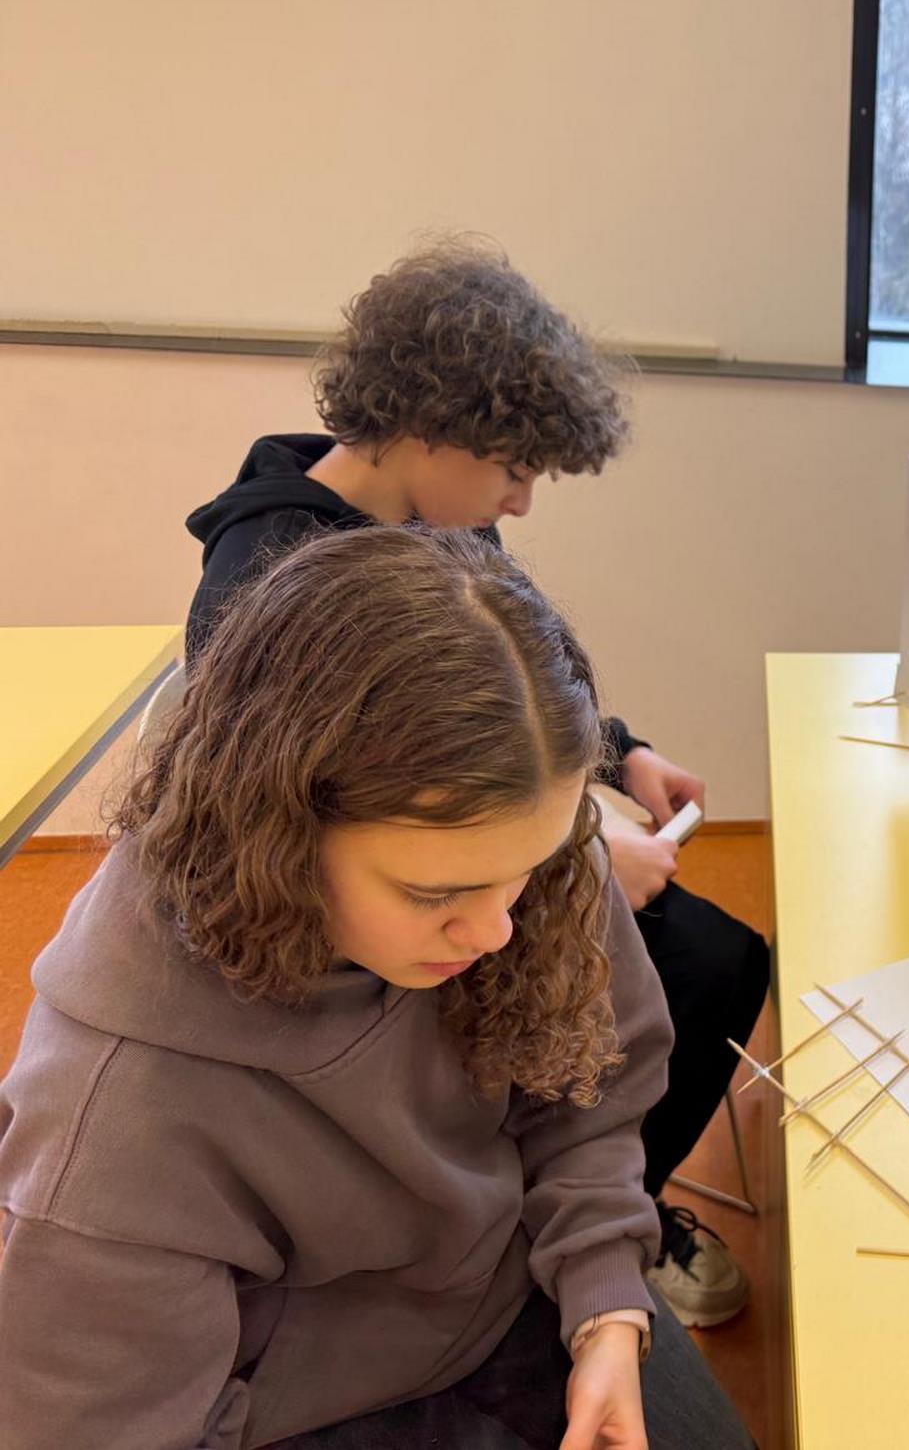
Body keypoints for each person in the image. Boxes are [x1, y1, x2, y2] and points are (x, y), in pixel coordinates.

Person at [0, 527, 754, 1448]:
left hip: (516, 1285)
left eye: (529, 869)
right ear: (277, 836)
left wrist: (605, 1304)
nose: (496, 929)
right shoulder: (117, 1121)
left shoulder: (516, 857)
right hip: (292, 1411)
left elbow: (585, 1096)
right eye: (433, 895)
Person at [182, 239, 767, 1326]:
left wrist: (617, 753)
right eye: (512, 470)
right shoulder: (271, 570)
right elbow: (331, 813)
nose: (521, 502)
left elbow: (506, 679)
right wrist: (585, 850)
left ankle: (607, 1218)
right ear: (429, 429)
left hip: (493, 862)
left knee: (724, 963)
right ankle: (545, 1235)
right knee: (680, 973)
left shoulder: (447, 521)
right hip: (367, 920)